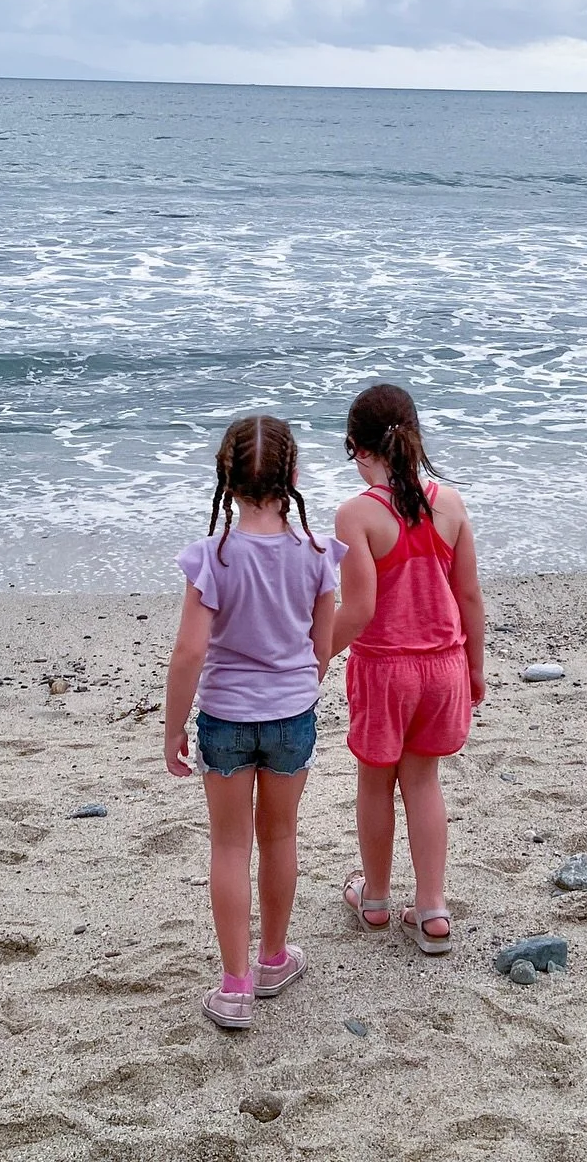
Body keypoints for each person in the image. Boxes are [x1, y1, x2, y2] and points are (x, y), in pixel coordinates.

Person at [163, 414, 342, 1027]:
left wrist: (173, 726)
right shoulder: (316, 553)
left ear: (227, 479)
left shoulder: (213, 558)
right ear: (294, 475)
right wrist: (298, 686)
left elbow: (189, 653)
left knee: (230, 844)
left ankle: (235, 986)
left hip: (225, 718)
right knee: (281, 836)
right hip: (291, 715)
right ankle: (273, 958)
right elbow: (322, 644)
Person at [333, 383, 486, 954]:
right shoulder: (450, 504)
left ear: (357, 447)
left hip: (385, 670)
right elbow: (468, 596)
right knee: (422, 781)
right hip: (444, 666)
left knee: (375, 780)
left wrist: (313, 657)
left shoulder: (356, 515)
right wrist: (474, 666)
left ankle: (375, 899)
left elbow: (358, 611)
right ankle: (432, 909)